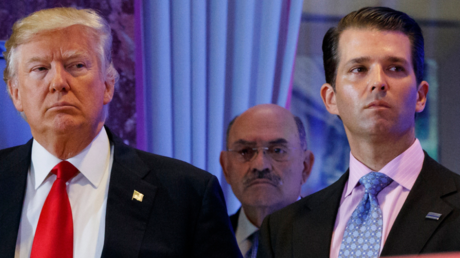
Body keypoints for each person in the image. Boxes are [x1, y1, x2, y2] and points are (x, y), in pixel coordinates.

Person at [0, 7, 241, 258]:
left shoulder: (187, 194)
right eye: (40, 69)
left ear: (107, 85)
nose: (58, 82)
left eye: (76, 65)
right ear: (16, 93)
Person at [257, 6, 460, 258]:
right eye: (359, 69)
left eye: (395, 68)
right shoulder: (283, 230)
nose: (377, 81)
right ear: (330, 99)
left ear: (420, 96)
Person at [220, 104, 314, 257]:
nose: (260, 165)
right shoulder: (200, 242)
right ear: (226, 167)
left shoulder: (337, 238)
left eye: (277, 150)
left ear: (305, 166)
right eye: (245, 151)